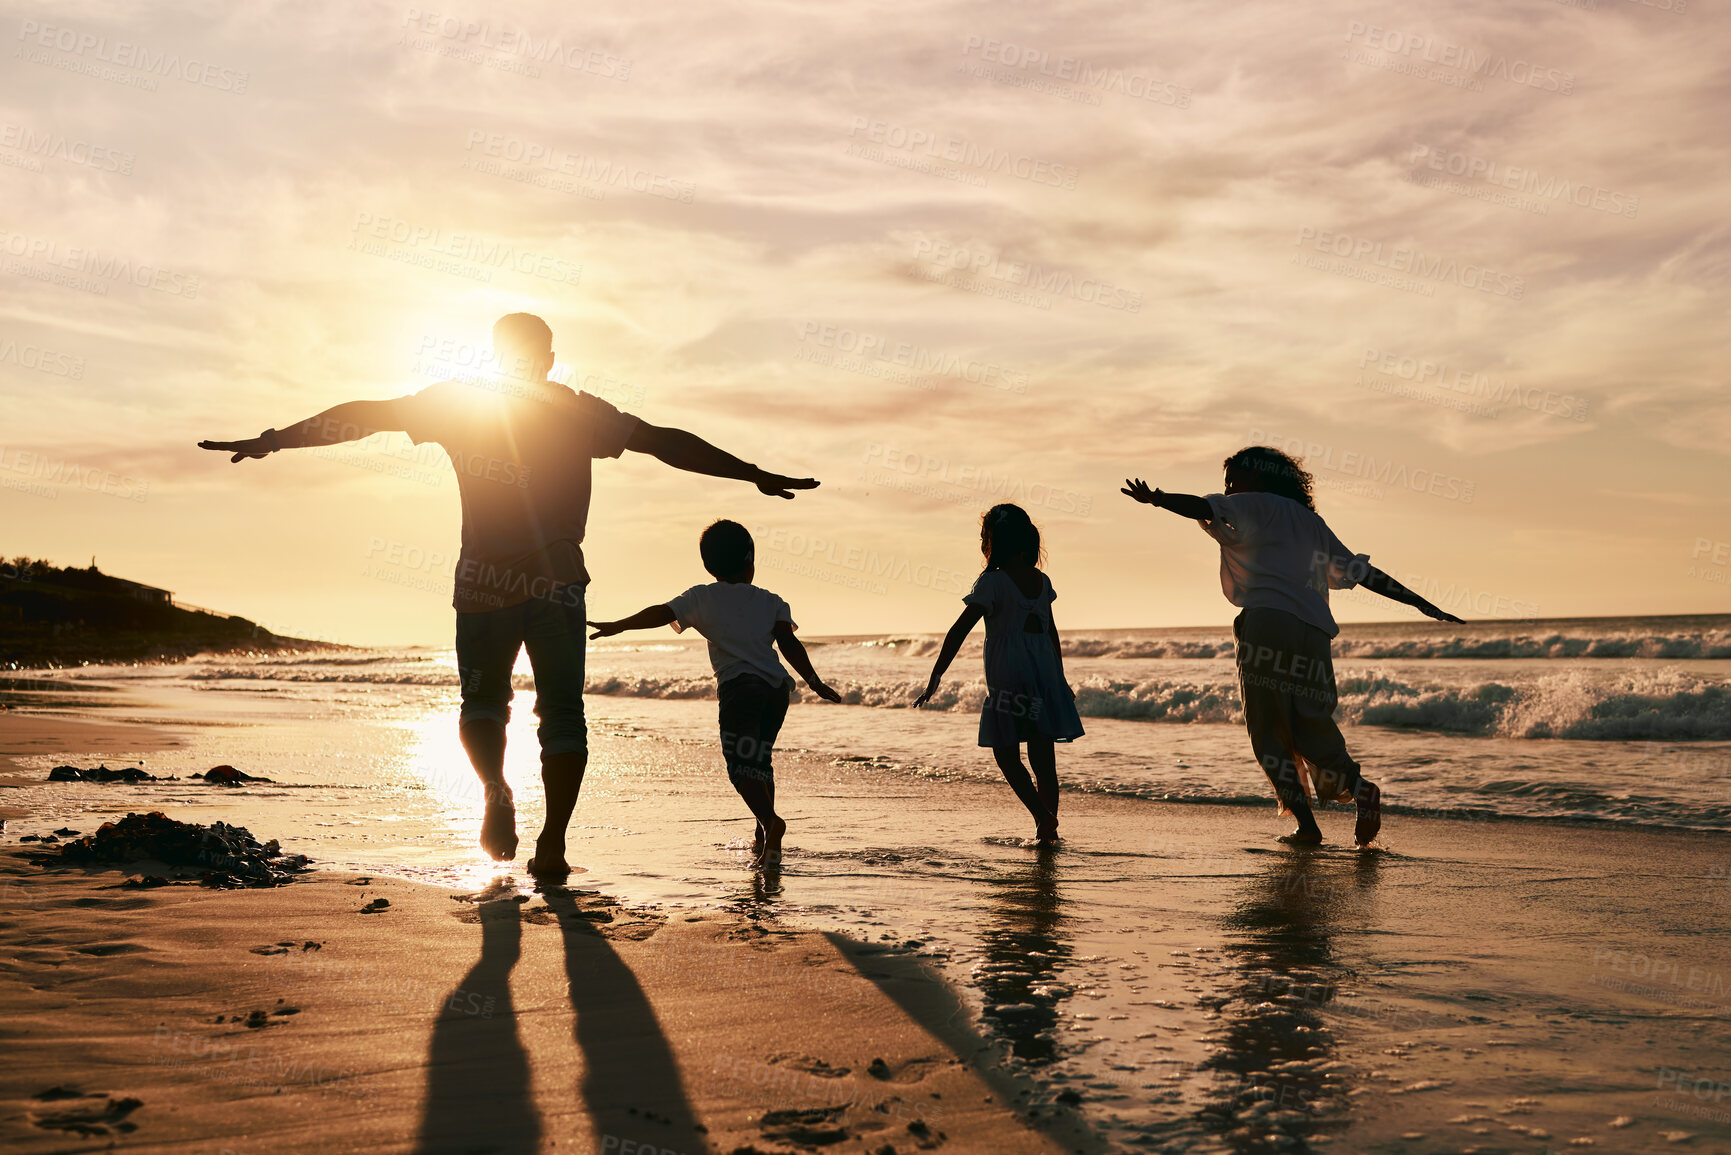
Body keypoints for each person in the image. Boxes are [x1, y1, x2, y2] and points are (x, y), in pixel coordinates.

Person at [198, 313, 819, 878]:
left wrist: (275, 438)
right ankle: (553, 843)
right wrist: (752, 474)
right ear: (548, 357)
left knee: (483, 702)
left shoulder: (458, 403)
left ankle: (496, 791)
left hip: (482, 584)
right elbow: (665, 441)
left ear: (495, 356)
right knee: (563, 716)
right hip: (557, 586)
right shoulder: (576, 410)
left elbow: (365, 415)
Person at [1122, 446, 1462, 847]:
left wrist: (1158, 499)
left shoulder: (1248, 504)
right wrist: (1419, 601)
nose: (1228, 489)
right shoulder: (1310, 521)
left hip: (1267, 624)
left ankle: (1307, 825)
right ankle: (1358, 786)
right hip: (1314, 631)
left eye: (1234, 480)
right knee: (1310, 722)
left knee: (1268, 730)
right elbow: (1362, 571)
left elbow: (1202, 506)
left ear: (1260, 479)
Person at [586, 520, 841, 867]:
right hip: (776, 690)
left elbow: (662, 613)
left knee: (739, 765)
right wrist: (813, 681)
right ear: (751, 558)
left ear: (708, 565)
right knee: (760, 759)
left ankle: (771, 823)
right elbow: (789, 643)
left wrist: (619, 625)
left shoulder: (701, 596)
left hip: (740, 690)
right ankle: (762, 840)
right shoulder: (772, 601)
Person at [914, 504, 1084, 844]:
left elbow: (959, 630)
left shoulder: (992, 582)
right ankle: (1046, 830)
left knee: (1005, 753)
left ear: (994, 541)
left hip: (1010, 679)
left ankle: (1042, 818)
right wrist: (1060, 678)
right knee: (1042, 757)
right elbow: (1051, 632)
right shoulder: (1040, 580)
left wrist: (936, 675)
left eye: (984, 536)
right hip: (1044, 676)